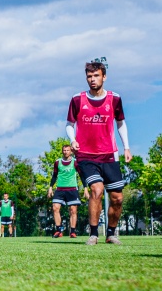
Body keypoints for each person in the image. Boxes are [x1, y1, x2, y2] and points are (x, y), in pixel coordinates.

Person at [67, 58, 131, 246]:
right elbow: (70, 125)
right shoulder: (77, 99)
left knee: (117, 198)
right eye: (89, 76)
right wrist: (73, 140)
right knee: (96, 189)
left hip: (110, 154)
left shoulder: (115, 99)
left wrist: (126, 146)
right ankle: (93, 234)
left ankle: (110, 234)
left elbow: (120, 123)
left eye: (96, 75)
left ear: (104, 76)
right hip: (86, 155)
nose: (92, 79)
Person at [47, 143, 89, 238]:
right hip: (60, 189)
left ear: (71, 151)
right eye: (64, 150)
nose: (66, 152)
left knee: (73, 210)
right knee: (55, 207)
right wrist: (50, 187)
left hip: (72, 189)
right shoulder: (57, 162)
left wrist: (85, 188)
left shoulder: (75, 162)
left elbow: (82, 175)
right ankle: (58, 230)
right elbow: (54, 176)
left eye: (67, 150)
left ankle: (73, 232)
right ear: (62, 151)